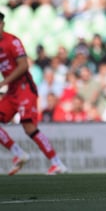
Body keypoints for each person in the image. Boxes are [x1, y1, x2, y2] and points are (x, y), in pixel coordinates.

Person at [0, 12, 67, 175]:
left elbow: (23, 66)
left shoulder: (12, 41)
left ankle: (57, 163)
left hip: (24, 88)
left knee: (29, 127)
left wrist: (4, 82)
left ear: (3, 24)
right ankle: (18, 153)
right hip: (12, 92)